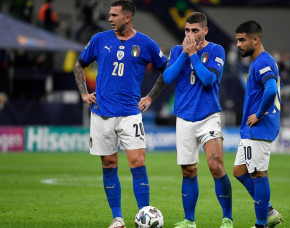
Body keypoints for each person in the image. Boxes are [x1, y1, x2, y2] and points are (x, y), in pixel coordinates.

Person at [72, 1, 167, 228]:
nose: (110, 19)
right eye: (110, 15)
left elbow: (167, 69)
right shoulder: (99, 39)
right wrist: (84, 94)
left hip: (130, 114)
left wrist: (150, 97)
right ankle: (118, 219)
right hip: (102, 113)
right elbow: (78, 65)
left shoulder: (146, 43)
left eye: (114, 15)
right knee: (108, 163)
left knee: (137, 161)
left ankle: (144, 215)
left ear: (127, 17)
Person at [162, 12, 233, 228]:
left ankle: (227, 218)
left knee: (216, 166)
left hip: (208, 116)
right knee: (188, 171)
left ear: (205, 30)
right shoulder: (177, 51)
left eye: (195, 30)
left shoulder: (216, 50)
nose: (190, 34)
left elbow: (208, 79)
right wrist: (185, 54)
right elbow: (167, 78)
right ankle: (189, 221)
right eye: (187, 30)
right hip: (184, 118)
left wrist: (193, 55)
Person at [233, 20, 283, 228]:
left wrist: (259, 115)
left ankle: (261, 223)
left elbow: (271, 89)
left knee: (258, 173)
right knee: (239, 171)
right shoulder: (259, 61)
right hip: (252, 129)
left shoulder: (262, 62)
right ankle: (269, 210)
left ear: (255, 39)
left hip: (259, 127)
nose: (238, 45)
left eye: (242, 40)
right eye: (237, 40)